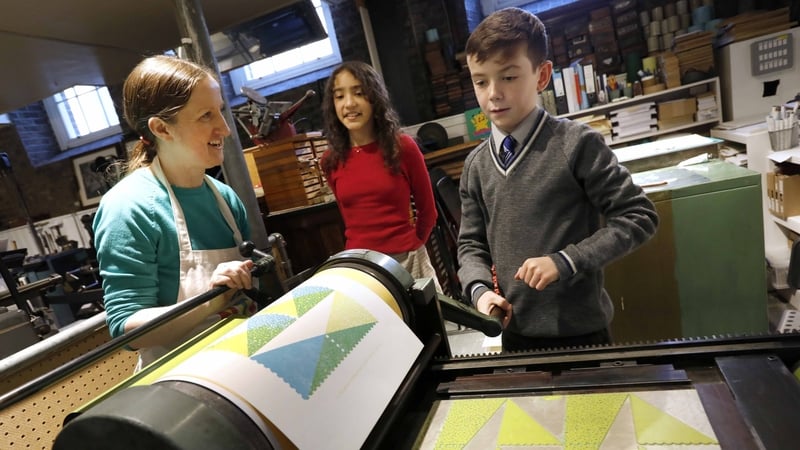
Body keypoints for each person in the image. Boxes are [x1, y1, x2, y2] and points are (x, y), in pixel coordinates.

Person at [458, 8, 659, 351]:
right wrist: (480, 291)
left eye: (509, 77)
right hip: (515, 333)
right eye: (481, 81)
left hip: (582, 335)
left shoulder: (576, 144)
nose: (493, 93)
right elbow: (471, 245)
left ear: (542, 75)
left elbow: (639, 216)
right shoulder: (476, 165)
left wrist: (566, 261)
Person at [93, 55, 257, 369]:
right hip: (181, 379)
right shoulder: (129, 208)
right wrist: (211, 299)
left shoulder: (225, 198)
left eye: (220, 110)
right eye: (206, 116)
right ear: (161, 128)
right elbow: (128, 328)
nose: (225, 129)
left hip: (242, 364)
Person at [320, 61, 441, 291]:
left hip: (407, 261)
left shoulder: (402, 147)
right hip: (360, 268)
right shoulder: (330, 160)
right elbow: (349, 217)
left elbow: (428, 211)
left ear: (375, 98)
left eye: (359, 93)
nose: (349, 103)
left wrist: (414, 244)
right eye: (339, 96)